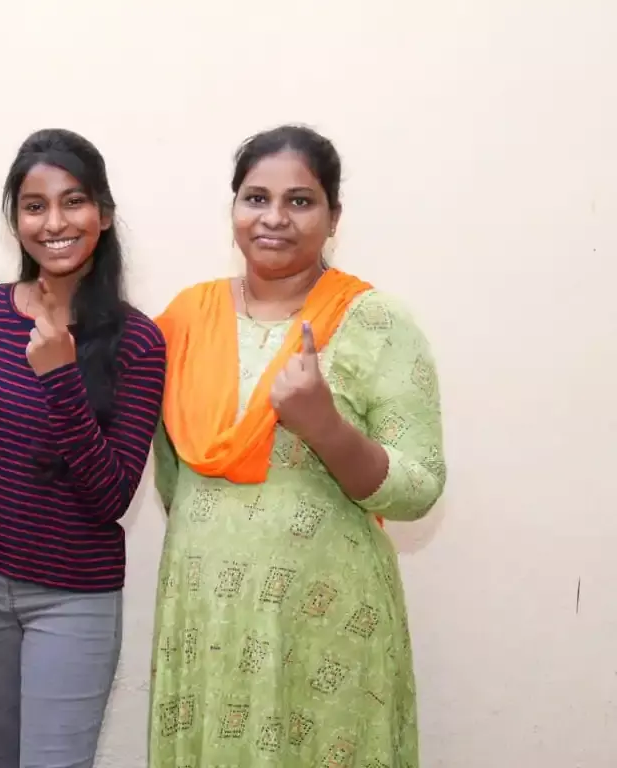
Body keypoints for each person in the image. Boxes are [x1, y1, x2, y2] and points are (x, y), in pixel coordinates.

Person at [148, 124, 446, 767]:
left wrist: (325, 427)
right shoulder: (184, 320)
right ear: (233, 208)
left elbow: (420, 487)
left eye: (300, 201)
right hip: (208, 618)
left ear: (333, 216)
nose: (274, 218)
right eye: (256, 198)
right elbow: (174, 474)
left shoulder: (376, 322)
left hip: (324, 623)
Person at [0, 128, 168, 768]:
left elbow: (113, 499)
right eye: (34, 206)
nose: (55, 222)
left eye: (73, 202)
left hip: (75, 596)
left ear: (104, 213)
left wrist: (62, 377)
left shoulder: (137, 341)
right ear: (16, 222)